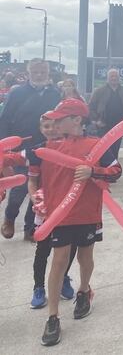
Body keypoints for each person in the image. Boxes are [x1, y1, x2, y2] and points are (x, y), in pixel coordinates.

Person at [28, 98, 123, 346]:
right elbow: (18, 164)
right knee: (58, 260)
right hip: (58, 214)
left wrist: (94, 171)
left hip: (87, 214)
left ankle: (84, 291)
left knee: (85, 256)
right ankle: (52, 316)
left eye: (61, 119)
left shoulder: (97, 146)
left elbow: (116, 171)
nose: (55, 123)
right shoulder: (44, 147)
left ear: (77, 120)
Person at [0, 58, 61, 240]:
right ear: (29, 74)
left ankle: (30, 227)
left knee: (40, 188)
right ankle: (10, 218)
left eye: (43, 72)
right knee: (20, 186)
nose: (39, 75)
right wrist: (4, 148)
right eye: (35, 72)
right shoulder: (17, 93)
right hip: (21, 147)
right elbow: (5, 119)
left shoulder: (55, 94)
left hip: (47, 148)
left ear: (48, 74)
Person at [27, 115, 78, 310]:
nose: (51, 129)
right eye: (46, 126)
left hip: (67, 206)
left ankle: (63, 277)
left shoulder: (71, 147)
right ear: (41, 129)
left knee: (69, 247)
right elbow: (32, 181)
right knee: (43, 250)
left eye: (55, 125)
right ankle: (38, 288)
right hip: (46, 207)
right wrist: (35, 198)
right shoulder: (37, 152)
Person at [88, 68, 123, 158]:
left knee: (115, 149)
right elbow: (91, 107)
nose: (114, 78)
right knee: (104, 150)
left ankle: (114, 169)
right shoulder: (99, 91)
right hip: (103, 125)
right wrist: (96, 120)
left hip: (119, 126)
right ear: (107, 78)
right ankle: (104, 169)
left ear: (119, 78)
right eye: (111, 76)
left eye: (116, 76)